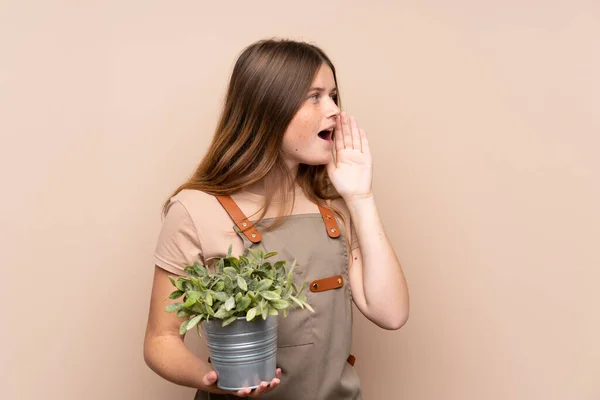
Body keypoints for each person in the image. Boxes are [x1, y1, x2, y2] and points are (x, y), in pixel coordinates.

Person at [143, 38, 409, 399]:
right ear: (269, 105)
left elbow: (391, 313)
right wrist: (214, 380)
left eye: (334, 95)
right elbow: (161, 339)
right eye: (314, 96)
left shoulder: (335, 208)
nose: (334, 110)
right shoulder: (195, 209)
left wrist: (361, 197)